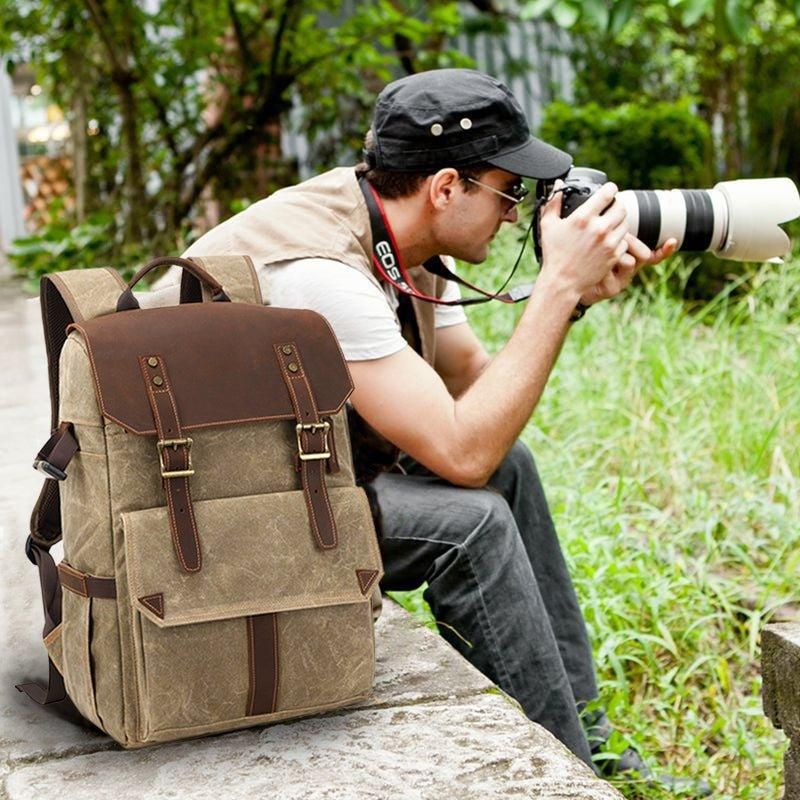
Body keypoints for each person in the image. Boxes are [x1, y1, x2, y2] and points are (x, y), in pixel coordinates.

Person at [149, 68, 707, 795]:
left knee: (517, 469)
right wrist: (558, 287)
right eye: (509, 191)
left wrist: (568, 300)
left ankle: (586, 733)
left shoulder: (397, 235)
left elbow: (474, 387)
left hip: (273, 474)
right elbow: (462, 453)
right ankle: (567, 777)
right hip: (194, 516)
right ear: (446, 187)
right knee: (471, 524)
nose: (516, 216)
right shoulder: (325, 276)